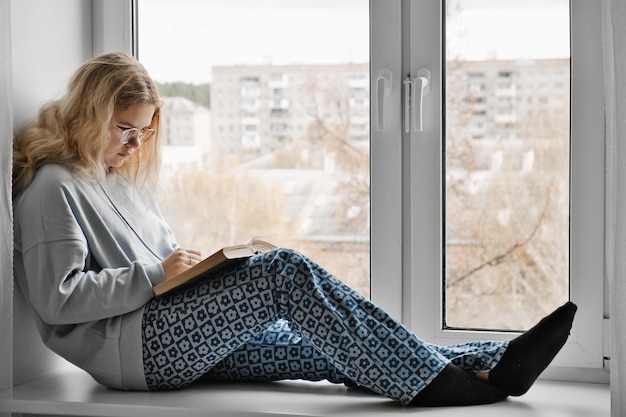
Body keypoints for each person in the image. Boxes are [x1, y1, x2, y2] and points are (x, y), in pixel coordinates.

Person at [12, 52, 577, 407]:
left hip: (167, 333)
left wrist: (200, 273)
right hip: (136, 353)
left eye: (142, 133)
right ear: (89, 112)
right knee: (281, 271)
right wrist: (159, 274)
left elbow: (159, 272)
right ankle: (439, 386)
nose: (135, 145)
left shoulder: (120, 180)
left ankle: (495, 361)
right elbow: (57, 299)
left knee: (321, 343)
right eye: (125, 129)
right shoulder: (52, 187)